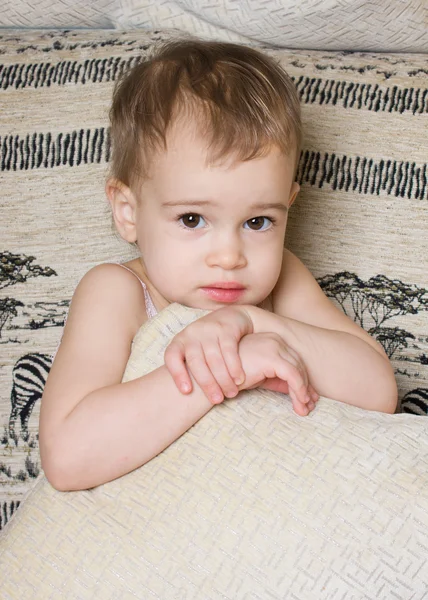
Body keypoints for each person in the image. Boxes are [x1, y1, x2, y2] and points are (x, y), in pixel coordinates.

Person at [39, 39, 398, 492]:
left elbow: (379, 392)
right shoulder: (118, 292)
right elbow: (67, 458)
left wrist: (252, 321)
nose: (229, 256)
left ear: (288, 206)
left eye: (258, 221)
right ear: (128, 212)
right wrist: (236, 367)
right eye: (192, 219)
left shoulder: (280, 281)